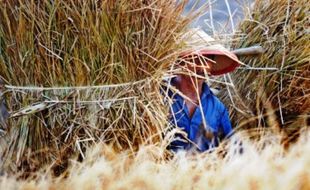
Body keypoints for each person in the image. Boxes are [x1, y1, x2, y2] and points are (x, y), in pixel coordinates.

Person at [166, 29, 241, 152]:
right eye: (195, 60)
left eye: (207, 60)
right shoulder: (158, 99)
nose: (202, 67)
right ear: (180, 62)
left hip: (205, 170)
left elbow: (232, 149)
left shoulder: (217, 108)